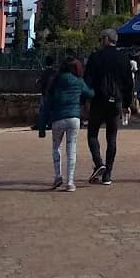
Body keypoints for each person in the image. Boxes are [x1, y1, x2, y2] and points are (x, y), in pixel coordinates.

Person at [84, 28, 133, 186]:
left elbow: (87, 81)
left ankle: (99, 163)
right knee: (112, 137)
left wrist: (85, 100)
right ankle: (108, 174)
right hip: (116, 101)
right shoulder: (123, 58)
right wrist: (127, 104)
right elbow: (129, 84)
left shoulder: (95, 57)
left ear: (105, 39)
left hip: (98, 100)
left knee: (92, 133)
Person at [45, 56, 94, 191]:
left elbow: (48, 98)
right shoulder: (78, 81)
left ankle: (57, 176)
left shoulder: (55, 80)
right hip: (74, 117)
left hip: (57, 117)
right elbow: (89, 94)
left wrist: (44, 122)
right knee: (71, 148)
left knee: (56, 147)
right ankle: (70, 182)